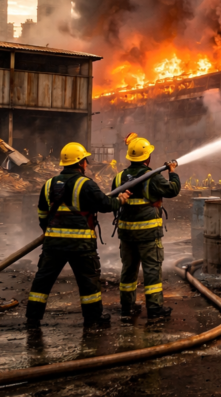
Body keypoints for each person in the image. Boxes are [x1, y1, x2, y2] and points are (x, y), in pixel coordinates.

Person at [26, 142, 131, 329]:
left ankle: (33, 318)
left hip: (54, 244)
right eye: (85, 161)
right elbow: (106, 204)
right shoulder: (87, 184)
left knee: (43, 280)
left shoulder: (49, 184)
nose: (87, 164)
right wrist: (121, 199)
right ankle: (93, 319)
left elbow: (42, 213)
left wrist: (49, 232)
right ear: (81, 162)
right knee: (88, 282)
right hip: (81, 246)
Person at [114, 136, 181, 320]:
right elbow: (173, 190)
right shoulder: (153, 177)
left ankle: (127, 307)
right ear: (147, 158)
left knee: (128, 269)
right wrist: (173, 172)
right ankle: (154, 309)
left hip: (126, 234)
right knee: (151, 270)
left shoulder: (119, 177)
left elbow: (114, 200)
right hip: (148, 234)